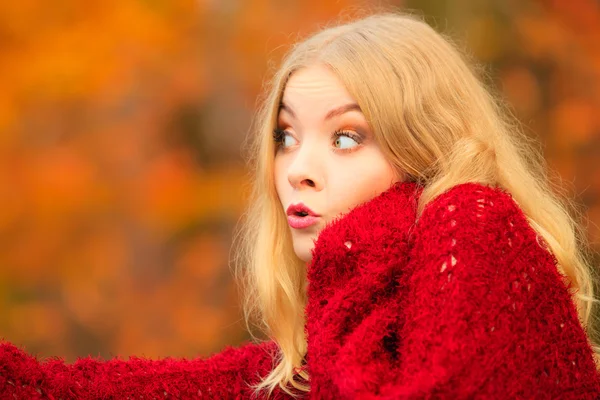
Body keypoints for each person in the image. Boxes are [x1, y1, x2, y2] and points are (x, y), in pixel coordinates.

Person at [1, 11, 599, 400]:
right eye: (286, 137)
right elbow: (79, 388)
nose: (297, 170)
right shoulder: (336, 348)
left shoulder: (471, 218)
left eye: (346, 137)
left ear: (428, 146)